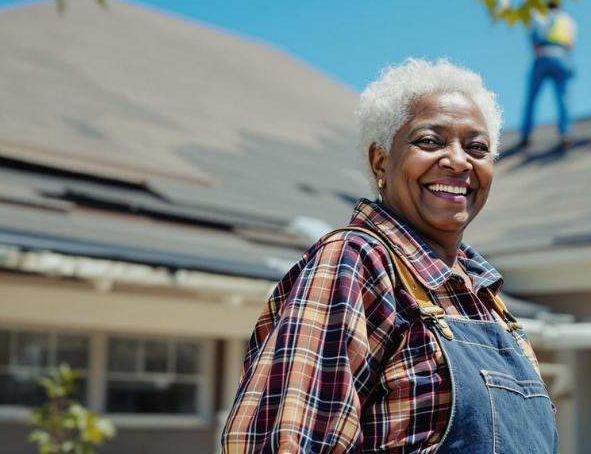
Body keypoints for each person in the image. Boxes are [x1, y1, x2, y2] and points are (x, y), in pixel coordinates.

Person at [221, 58, 557, 453]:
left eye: (477, 147)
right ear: (381, 161)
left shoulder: (487, 301)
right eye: (430, 141)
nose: (458, 160)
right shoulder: (354, 263)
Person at [519, 0, 577, 150]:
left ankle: (526, 134)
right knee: (563, 97)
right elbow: (570, 44)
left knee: (532, 97)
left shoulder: (539, 16)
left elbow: (534, 40)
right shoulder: (568, 20)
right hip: (562, 56)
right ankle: (565, 133)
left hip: (543, 56)